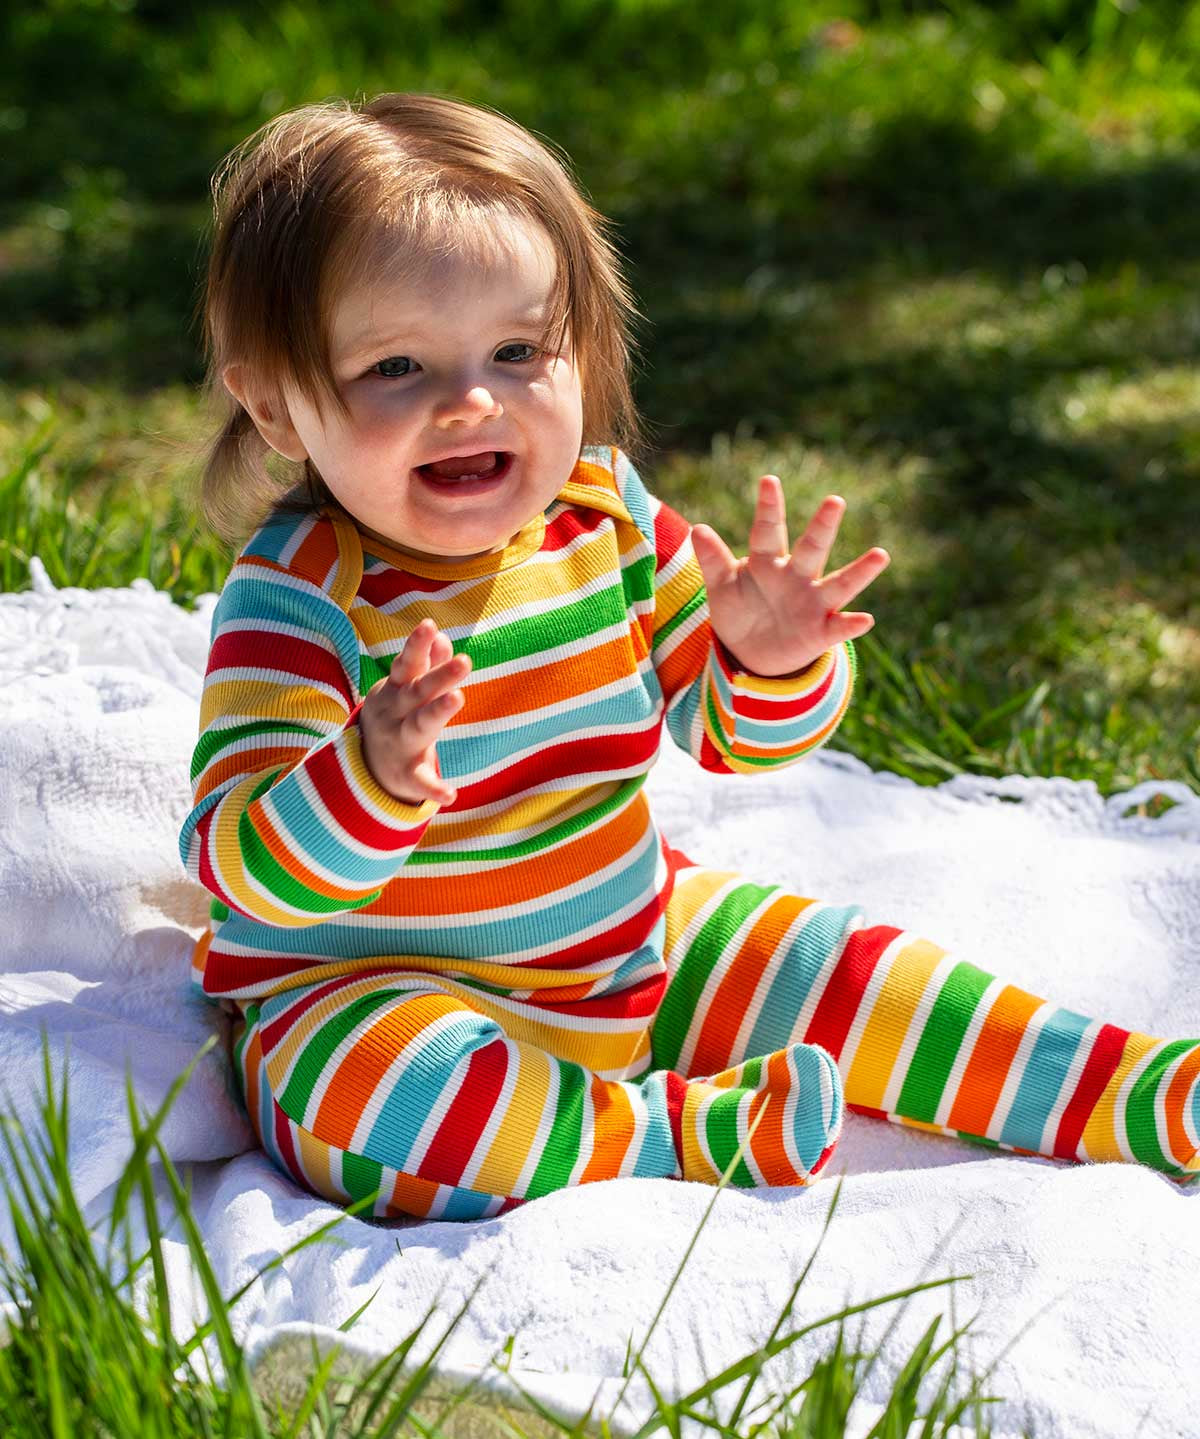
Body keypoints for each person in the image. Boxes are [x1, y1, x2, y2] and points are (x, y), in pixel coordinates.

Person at [179, 92, 1198, 1221]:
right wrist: (362, 779)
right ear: (275, 405)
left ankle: (1140, 1091)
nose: (471, 400)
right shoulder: (299, 597)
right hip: (380, 991)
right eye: (397, 369)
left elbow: (726, 740)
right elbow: (238, 861)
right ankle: (675, 1129)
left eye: (519, 350)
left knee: (842, 965)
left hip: (625, 941)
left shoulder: (602, 515)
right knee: (372, 1098)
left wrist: (766, 666)